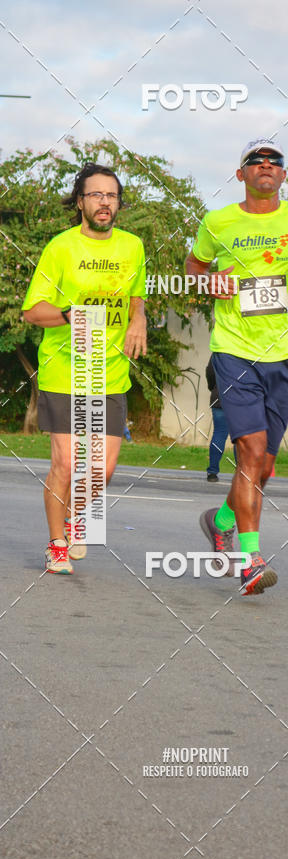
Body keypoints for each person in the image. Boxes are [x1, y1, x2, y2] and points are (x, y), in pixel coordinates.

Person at [185, 139, 288, 595]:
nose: (266, 166)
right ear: (242, 174)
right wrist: (208, 279)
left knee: (264, 466)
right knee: (249, 451)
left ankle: (222, 519)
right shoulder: (218, 221)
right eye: (256, 161)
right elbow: (193, 266)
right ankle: (249, 559)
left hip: (284, 355)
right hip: (233, 350)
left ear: (284, 176)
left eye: (275, 162)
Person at [22, 163, 147, 574]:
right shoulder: (60, 248)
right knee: (65, 462)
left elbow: (135, 295)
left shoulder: (132, 247)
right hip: (64, 368)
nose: (104, 202)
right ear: (80, 202)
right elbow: (31, 311)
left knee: (103, 468)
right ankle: (57, 543)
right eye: (95, 195)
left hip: (110, 373)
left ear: (118, 203)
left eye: (111, 195)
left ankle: (77, 518)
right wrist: (67, 314)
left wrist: (138, 319)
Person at [205, 354, 229, 482]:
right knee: (240, 437)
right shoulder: (247, 347)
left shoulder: (219, 349)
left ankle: (212, 472)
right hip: (241, 398)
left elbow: (210, 371)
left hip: (219, 396)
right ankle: (242, 473)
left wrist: (213, 387)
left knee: (219, 434)